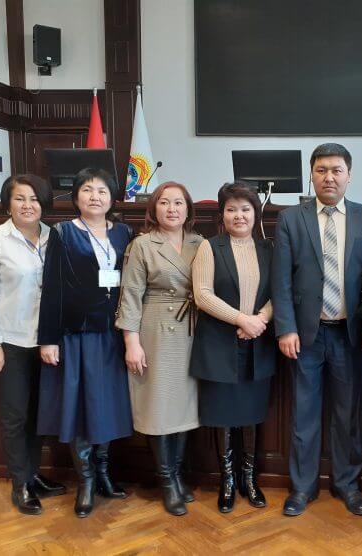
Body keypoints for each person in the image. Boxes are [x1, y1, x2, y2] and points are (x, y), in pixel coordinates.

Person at [272, 143, 362, 517]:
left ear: (349, 175)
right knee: (303, 415)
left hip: (350, 335)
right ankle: (302, 488)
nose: (329, 177)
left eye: (337, 170)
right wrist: (285, 328)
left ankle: (347, 484)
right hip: (306, 336)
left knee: (347, 415)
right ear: (312, 175)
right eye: (321, 170)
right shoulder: (291, 219)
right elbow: (281, 280)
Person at [37, 168, 133, 518]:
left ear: (112, 197)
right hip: (76, 334)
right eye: (88, 190)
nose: (95, 197)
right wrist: (48, 339)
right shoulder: (63, 233)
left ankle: (104, 474)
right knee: (80, 408)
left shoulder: (124, 232)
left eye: (102, 191)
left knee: (105, 406)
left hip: (113, 334)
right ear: (76, 196)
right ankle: (87, 481)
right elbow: (52, 288)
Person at [0, 174, 65, 515]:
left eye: (34, 199)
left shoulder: (55, 237)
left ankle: (33, 474)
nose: (28, 205)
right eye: (20, 198)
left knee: (40, 414)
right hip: (10, 340)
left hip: (47, 341)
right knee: (15, 415)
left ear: (45, 204)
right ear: (7, 203)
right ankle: (20, 482)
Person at [116, 182, 203, 517]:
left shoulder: (199, 243)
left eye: (179, 203)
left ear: (188, 209)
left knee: (184, 407)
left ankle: (178, 475)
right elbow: (130, 295)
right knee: (159, 406)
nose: (172, 209)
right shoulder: (142, 244)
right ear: (153, 208)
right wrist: (131, 342)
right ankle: (166, 481)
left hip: (193, 331)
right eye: (165, 202)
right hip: (156, 331)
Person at [190, 182, 275, 513]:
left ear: (255, 214)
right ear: (222, 215)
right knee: (223, 414)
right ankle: (227, 481)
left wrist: (260, 320)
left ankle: (249, 479)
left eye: (245, 209)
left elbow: (279, 291)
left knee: (252, 414)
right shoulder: (210, 247)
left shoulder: (268, 248)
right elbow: (203, 295)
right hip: (219, 344)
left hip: (257, 343)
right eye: (231, 209)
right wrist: (242, 320)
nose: (239, 215)